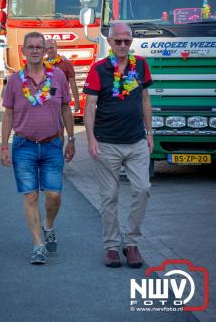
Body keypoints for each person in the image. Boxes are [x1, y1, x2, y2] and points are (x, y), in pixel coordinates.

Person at [0, 31, 75, 265]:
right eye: (30, 47)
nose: (34, 50)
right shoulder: (14, 80)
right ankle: (38, 245)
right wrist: (3, 146)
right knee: (30, 196)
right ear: (23, 50)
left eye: (38, 47)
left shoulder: (58, 76)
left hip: (52, 143)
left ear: (45, 51)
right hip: (23, 146)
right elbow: (8, 114)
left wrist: (72, 139)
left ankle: (48, 226)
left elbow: (65, 109)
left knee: (54, 194)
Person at [83, 22, 153, 268]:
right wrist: (90, 138)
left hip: (136, 142)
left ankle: (132, 242)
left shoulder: (141, 65)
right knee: (109, 196)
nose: (122, 45)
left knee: (143, 189)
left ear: (131, 42)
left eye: (127, 41)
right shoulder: (99, 69)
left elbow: (145, 99)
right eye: (118, 41)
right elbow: (89, 106)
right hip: (107, 143)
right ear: (110, 42)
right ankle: (112, 247)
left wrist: (150, 133)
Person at [45, 39, 80, 112]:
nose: (49, 50)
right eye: (47, 49)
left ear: (56, 47)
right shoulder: (42, 64)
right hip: (46, 103)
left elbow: (73, 83)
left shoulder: (66, 63)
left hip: (63, 102)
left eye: (51, 48)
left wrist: (77, 102)